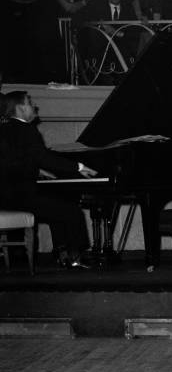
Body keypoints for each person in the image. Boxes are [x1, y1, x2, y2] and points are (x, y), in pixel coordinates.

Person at [0, 91, 97, 267]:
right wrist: (79, 167)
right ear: (21, 108)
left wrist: (38, 171)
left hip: (5, 198)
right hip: (21, 197)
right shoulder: (27, 130)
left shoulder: (4, 129)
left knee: (57, 208)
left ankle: (62, 253)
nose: (34, 106)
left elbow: (13, 161)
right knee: (72, 211)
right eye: (30, 103)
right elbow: (43, 157)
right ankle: (76, 256)